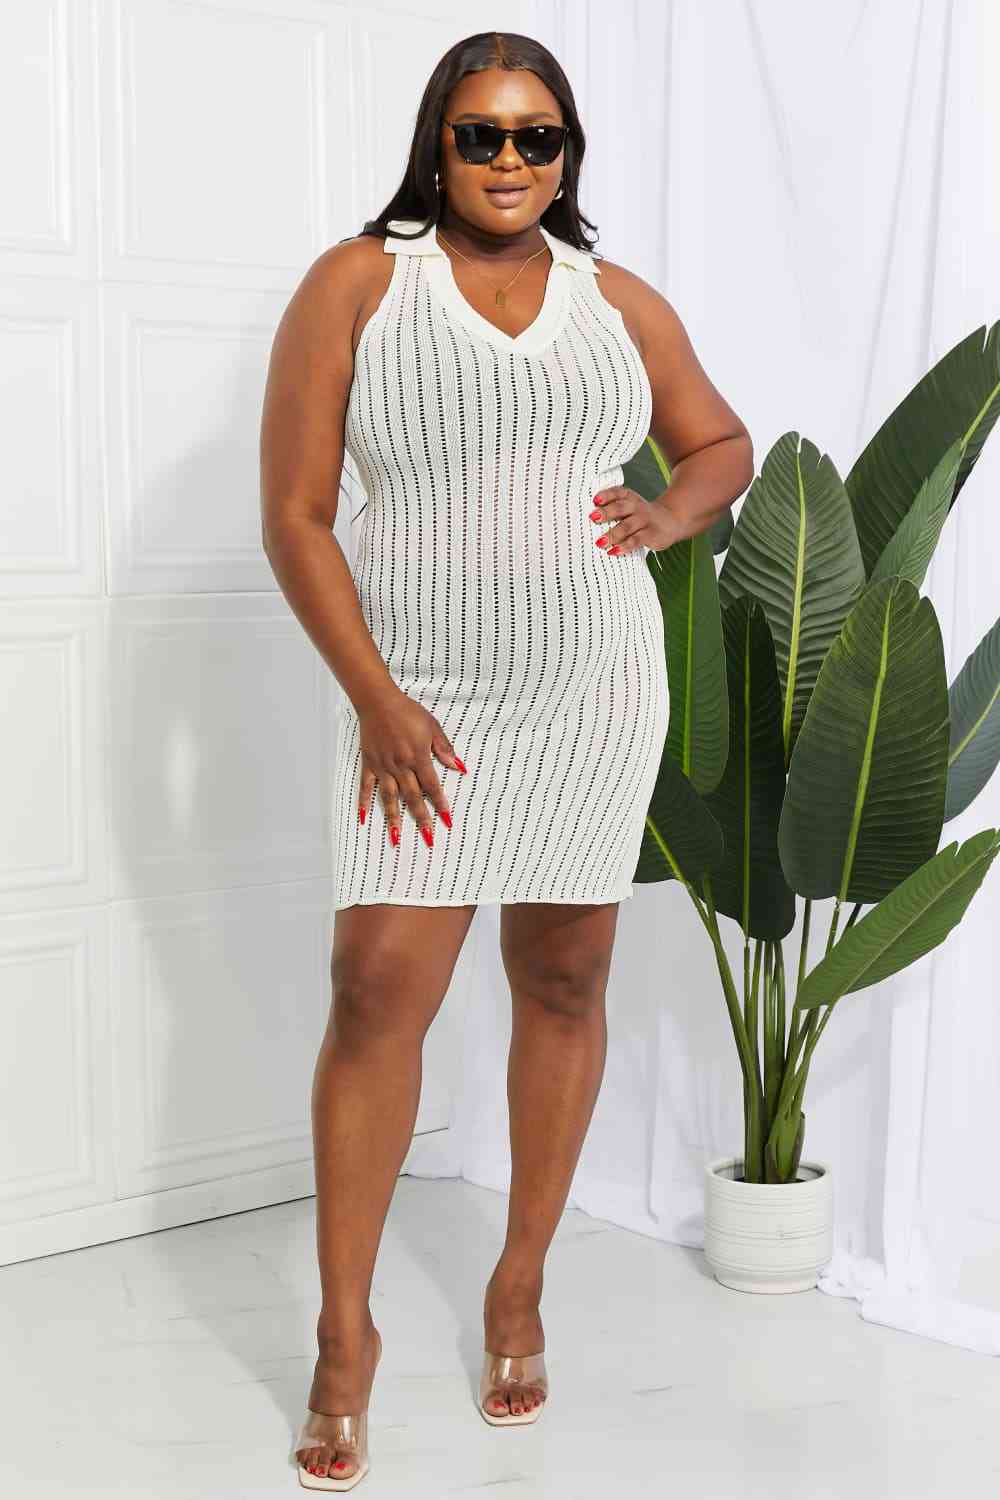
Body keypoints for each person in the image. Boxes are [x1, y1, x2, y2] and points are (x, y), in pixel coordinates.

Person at [260, 28, 752, 1493]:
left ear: (567, 154)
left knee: (564, 977)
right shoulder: (360, 284)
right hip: (416, 703)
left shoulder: (617, 302)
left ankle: (519, 1288)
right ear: (439, 144)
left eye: (539, 137)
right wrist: (378, 699)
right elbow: (295, 516)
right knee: (376, 990)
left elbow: (719, 444)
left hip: (593, 692)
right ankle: (343, 1337)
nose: (511, 160)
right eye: (482, 134)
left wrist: (668, 516)